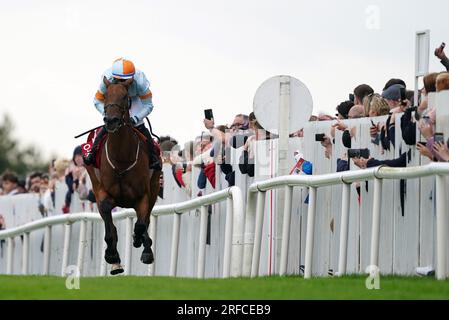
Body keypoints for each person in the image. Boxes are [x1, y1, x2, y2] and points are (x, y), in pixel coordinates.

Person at [84, 58, 162, 171]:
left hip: (135, 99)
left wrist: (137, 118)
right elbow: (97, 101)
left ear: (132, 78)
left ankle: (153, 158)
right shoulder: (106, 78)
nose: (122, 84)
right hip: (115, 99)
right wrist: (107, 115)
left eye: (125, 81)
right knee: (109, 125)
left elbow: (149, 105)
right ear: (113, 77)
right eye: (119, 80)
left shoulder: (140, 81)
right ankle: (92, 153)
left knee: (139, 126)